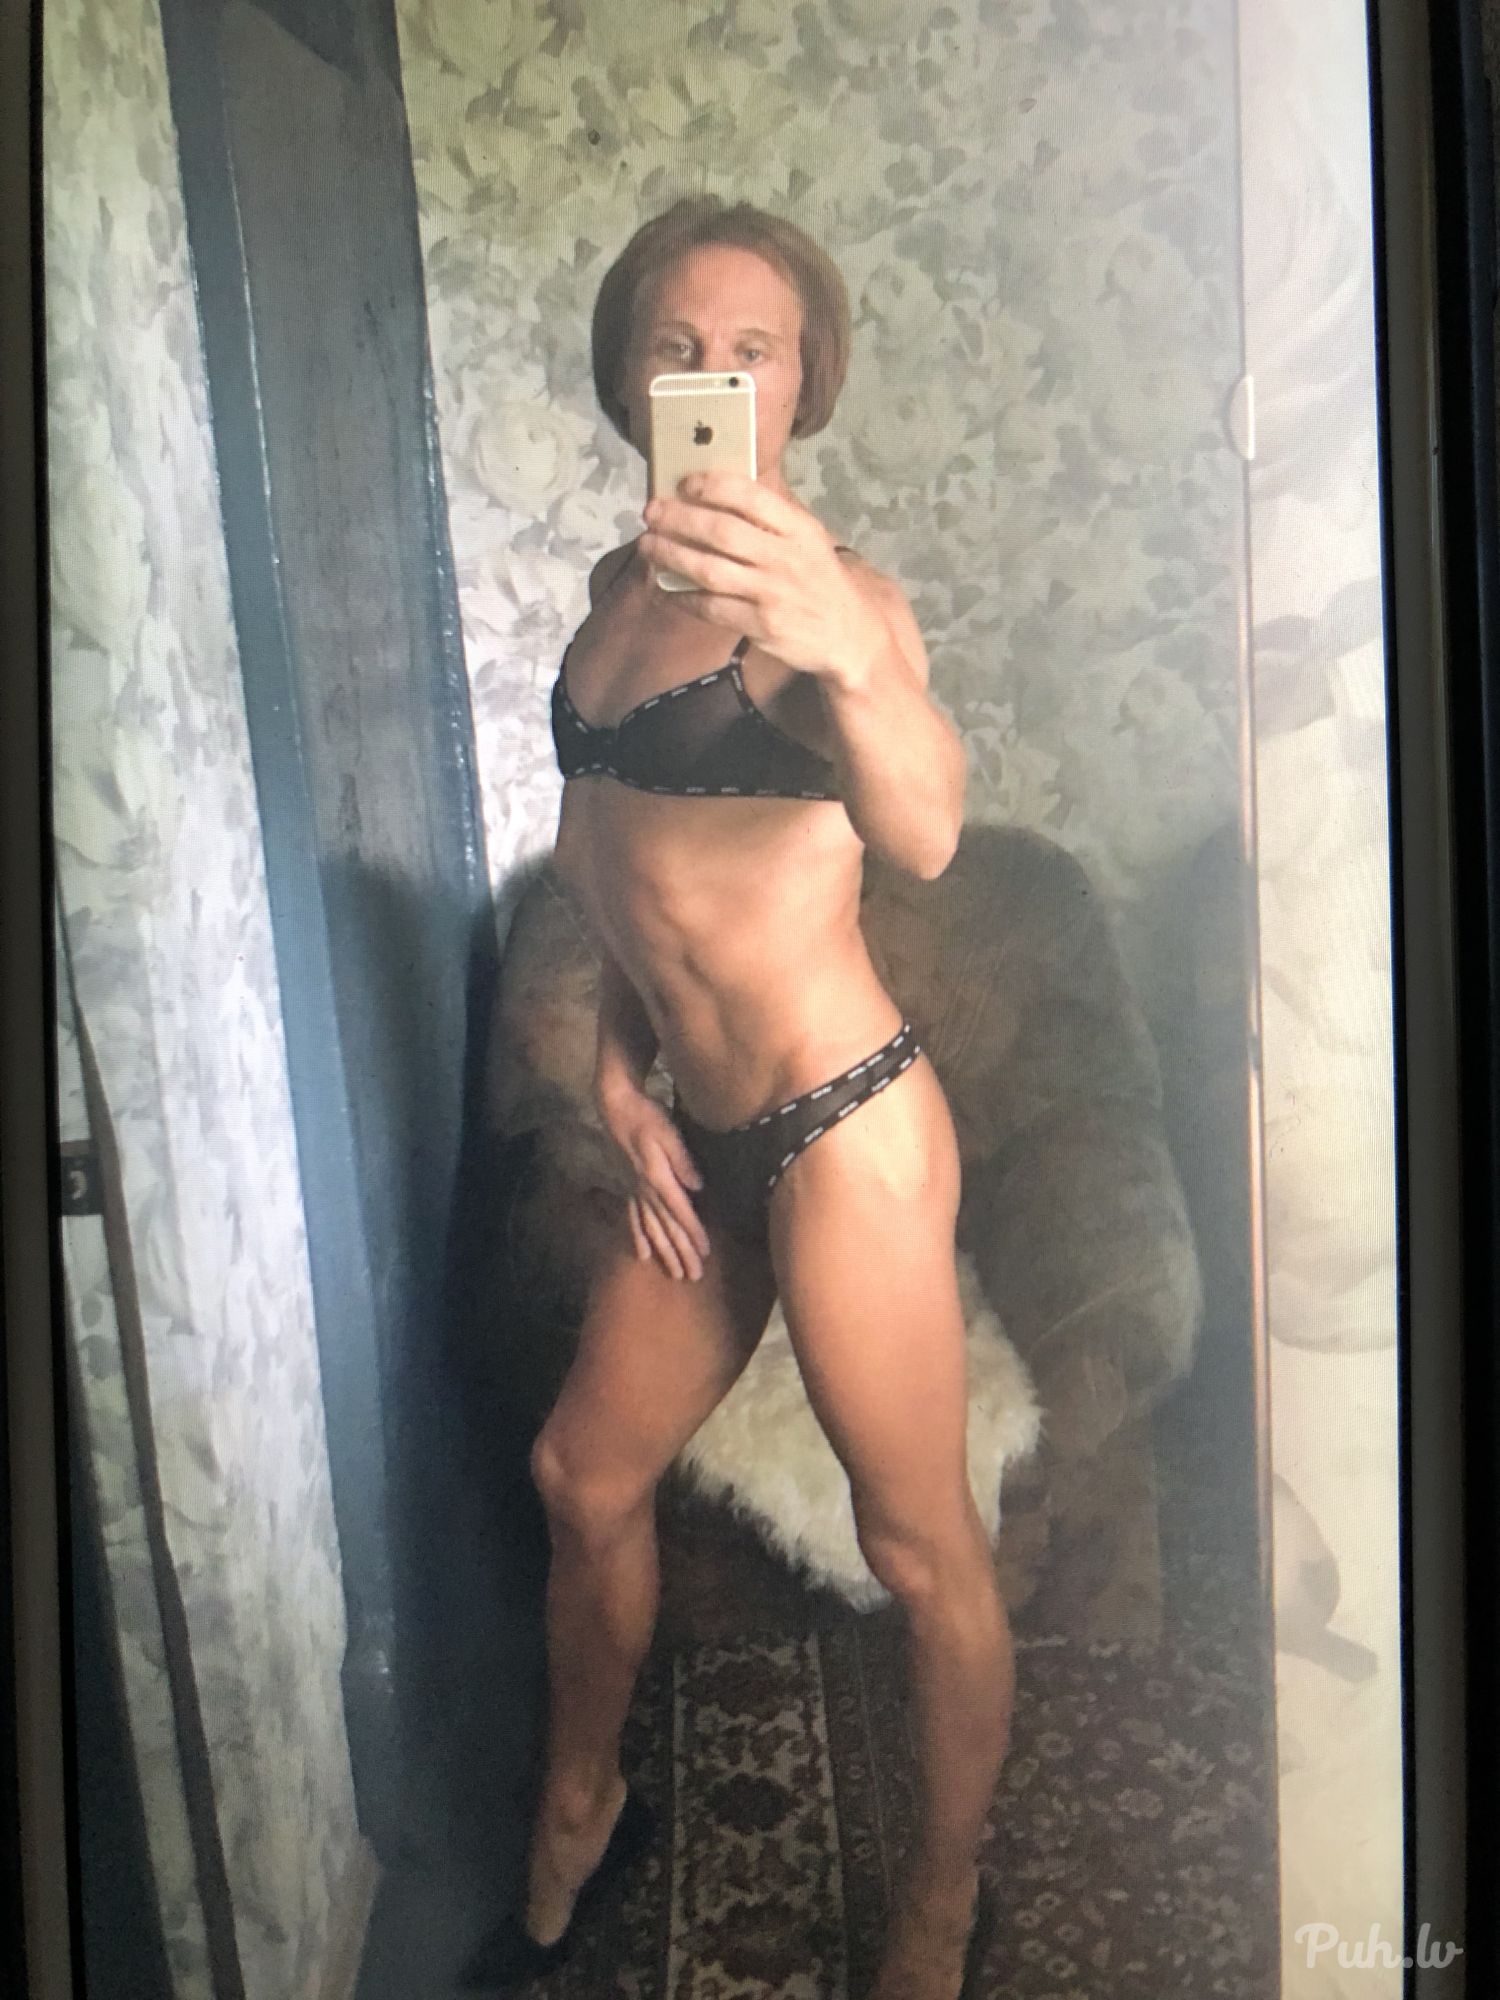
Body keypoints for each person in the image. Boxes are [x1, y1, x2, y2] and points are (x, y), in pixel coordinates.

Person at [484, 197, 1012, 2000]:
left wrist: (849, 650)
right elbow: (615, 866)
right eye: (679, 346)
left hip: (843, 1123)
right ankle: (584, 1803)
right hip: (700, 1137)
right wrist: (616, 1071)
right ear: (634, 377)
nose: (714, 376)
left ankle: (940, 1900)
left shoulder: (829, 605)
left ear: (803, 383)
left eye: (754, 350)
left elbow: (924, 830)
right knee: (581, 1475)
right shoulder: (613, 600)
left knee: (917, 1549)